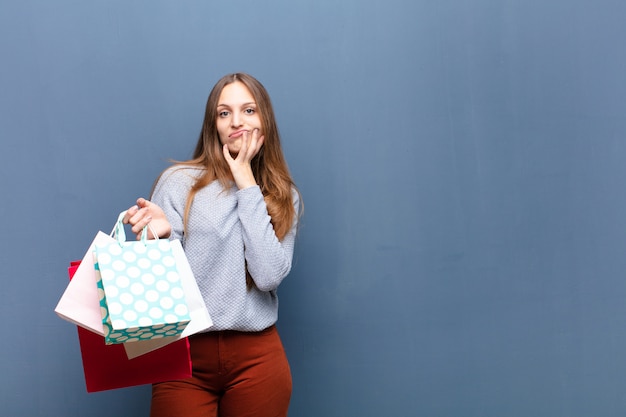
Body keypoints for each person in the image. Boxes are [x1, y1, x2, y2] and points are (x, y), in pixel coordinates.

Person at [123, 73, 301, 417]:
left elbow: (267, 276)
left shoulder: (282, 196)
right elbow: (162, 288)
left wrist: (246, 182)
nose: (237, 121)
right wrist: (161, 237)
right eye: (224, 113)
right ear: (213, 125)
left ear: (264, 120)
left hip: (258, 358)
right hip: (184, 355)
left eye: (249, 110)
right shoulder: (178, 183)